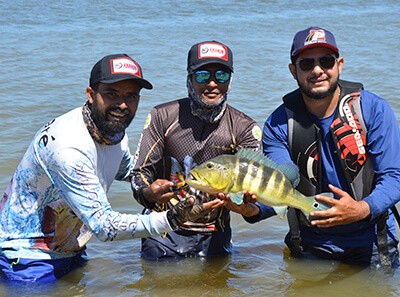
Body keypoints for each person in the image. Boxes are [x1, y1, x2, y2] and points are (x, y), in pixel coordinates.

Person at [0, 54, 223, 283]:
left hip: (71, 249)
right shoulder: (68, 147)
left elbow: (126, 170)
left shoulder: (112, 130)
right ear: (90, 94)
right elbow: (105, 227)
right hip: (27, 258)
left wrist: (165, 183)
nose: (122, 105)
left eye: (131, 96)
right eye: (112, 94)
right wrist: (173, 218)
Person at [261, 26, 400, 268]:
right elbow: (280, 189)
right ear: (293, 71)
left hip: (372, 243)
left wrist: (361, 209)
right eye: (306, 64)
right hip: (310, 245)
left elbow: (395, 177)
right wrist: (252, 210)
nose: (317, 70)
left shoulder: (373, 110)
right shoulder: (277, 124)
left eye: (326, 61)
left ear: (340, 65)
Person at [131, 41, 274, 260]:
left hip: (215, 234)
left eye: (222, 75)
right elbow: (139, 173)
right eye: (202, 75)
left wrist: (249, 208)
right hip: (163, 231)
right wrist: (148, 193)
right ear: (189, 78)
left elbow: (259, 189)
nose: (213, 84)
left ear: (231, 80)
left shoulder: (245, 128)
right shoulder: (162, 117)